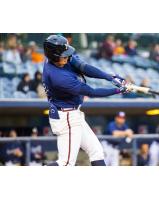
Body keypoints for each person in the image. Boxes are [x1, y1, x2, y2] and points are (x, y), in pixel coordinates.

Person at [42, 35, 132, 166]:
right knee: (65, 163)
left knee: (96, 152)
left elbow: (83, 66)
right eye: (64, 55)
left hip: (73, 114)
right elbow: (92, 92)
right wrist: (118, 90)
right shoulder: (59, 78)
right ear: (54, 56)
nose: (68, 57)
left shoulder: (60, 60)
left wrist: (109, 77)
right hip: (66, 117)